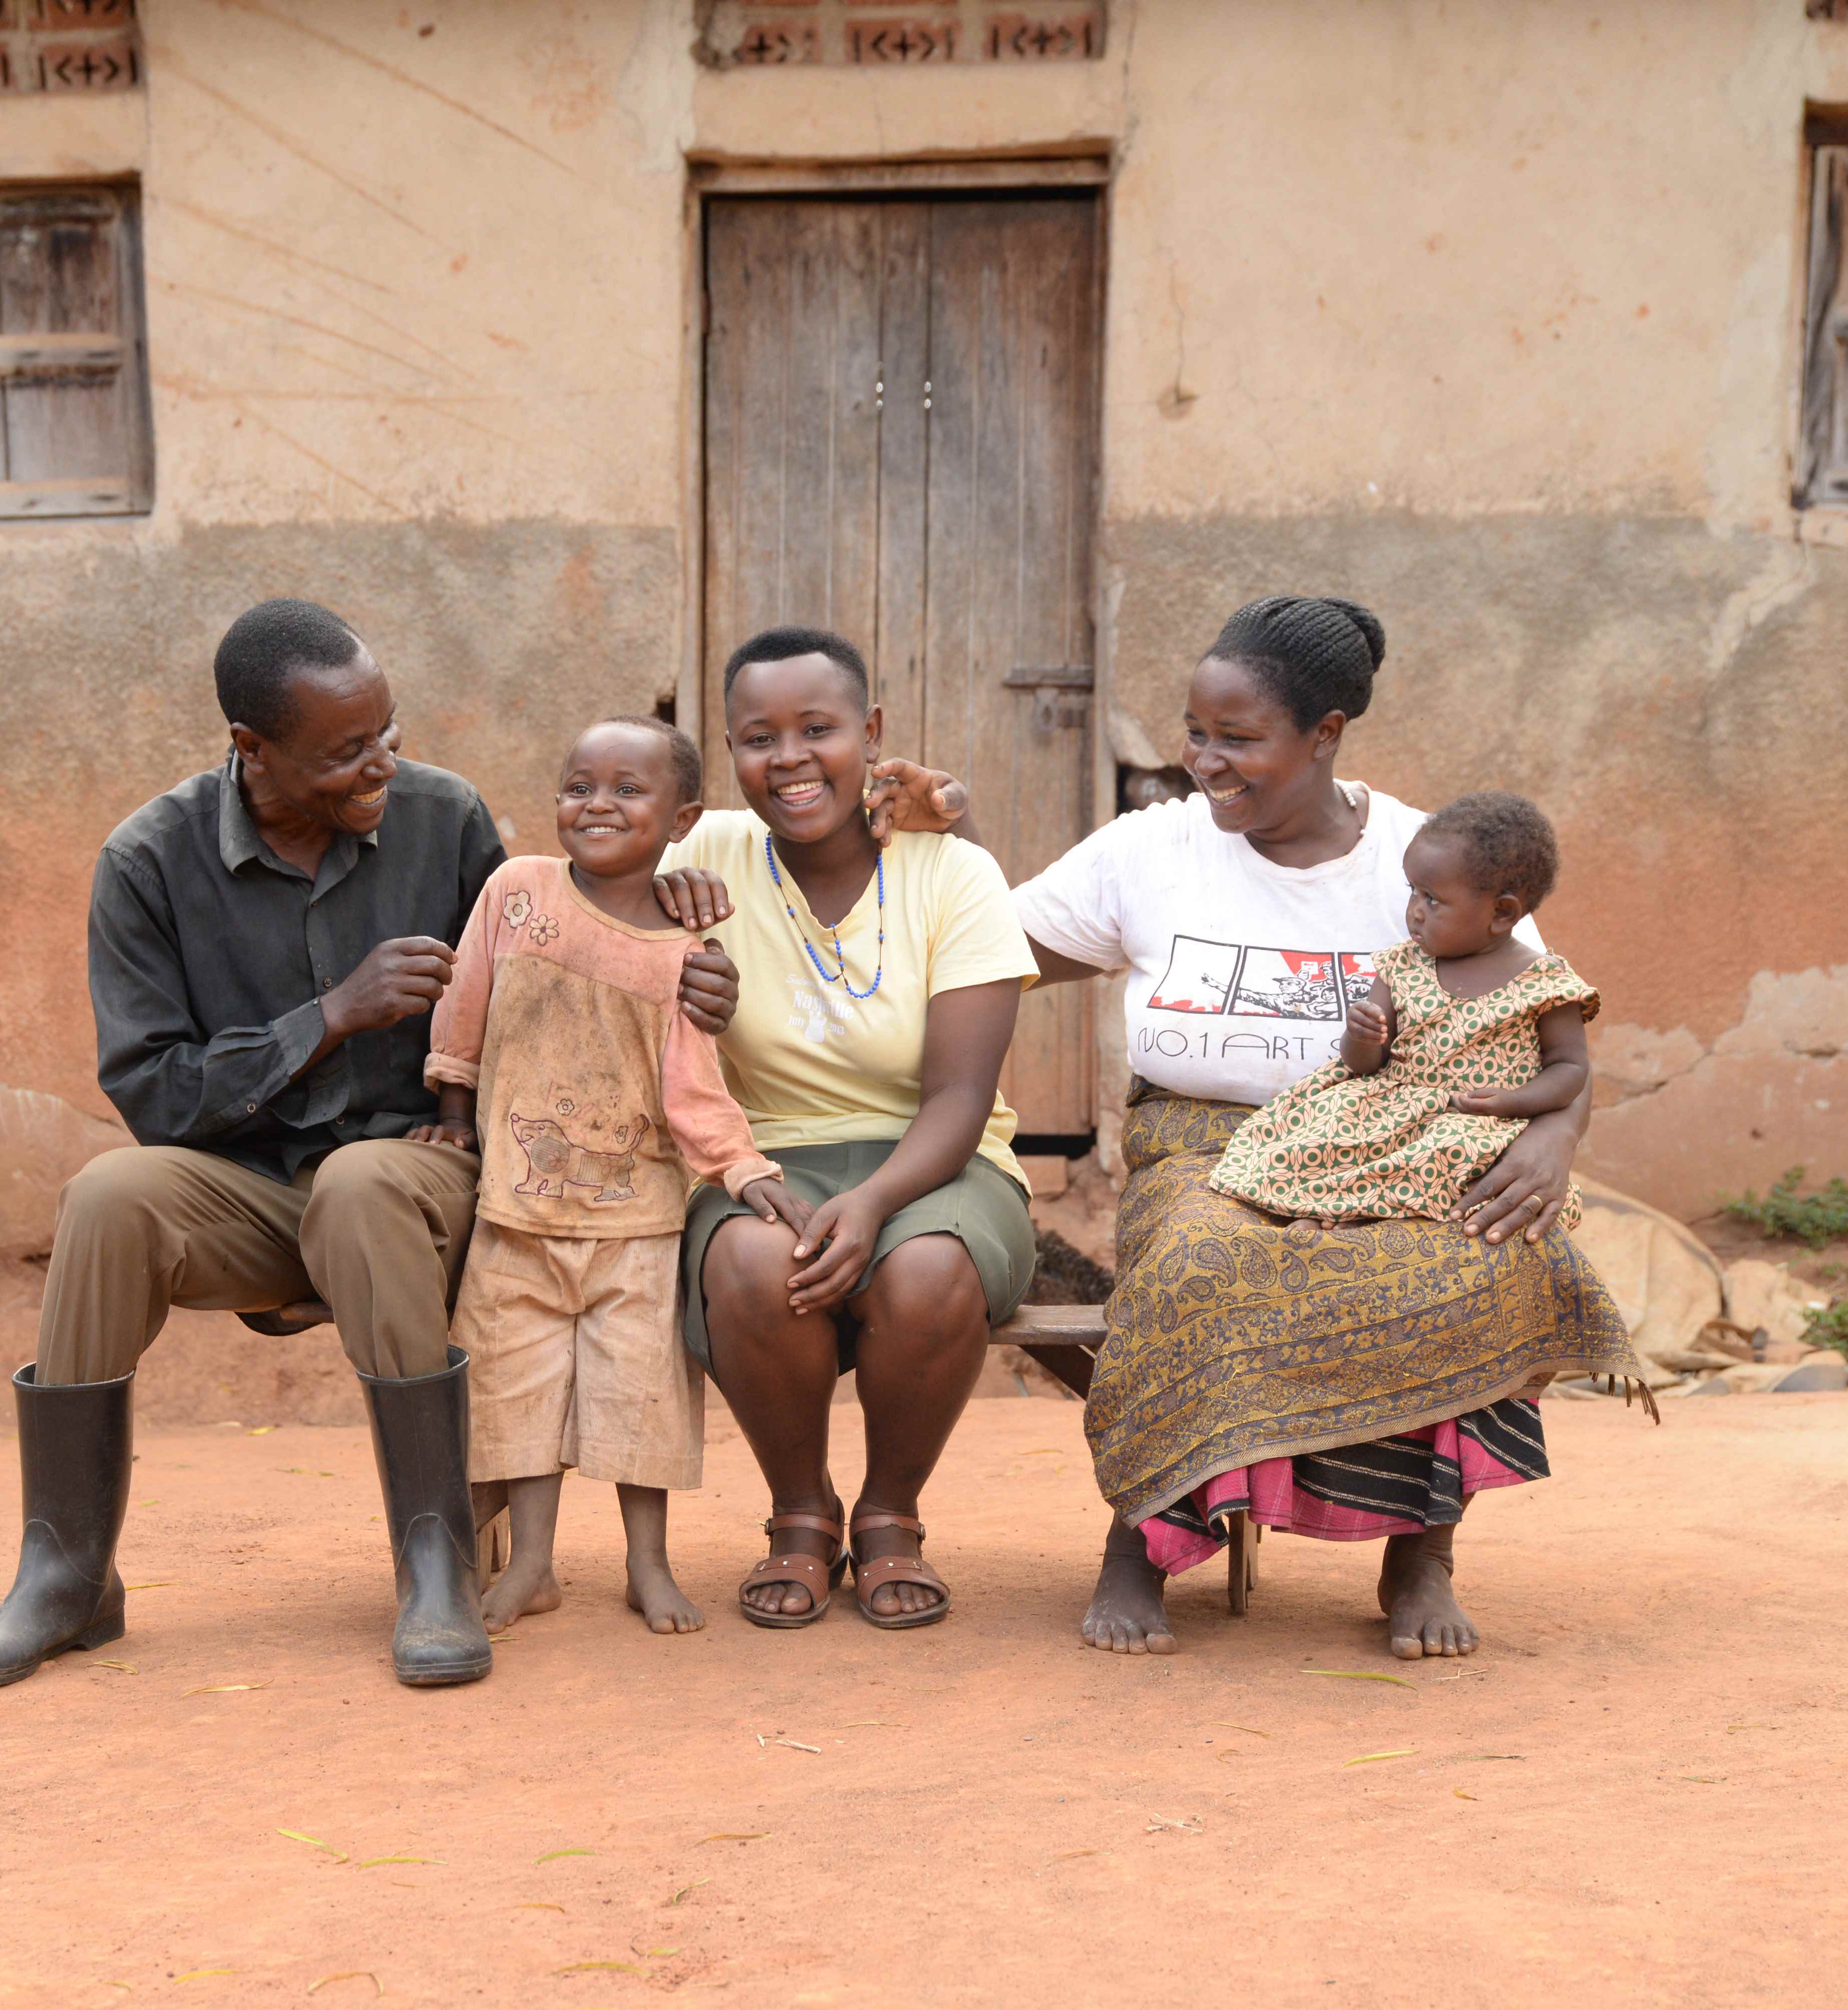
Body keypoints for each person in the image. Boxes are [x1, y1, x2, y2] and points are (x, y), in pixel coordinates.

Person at [0, 600, 742, 1691]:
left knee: (360, 1185)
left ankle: (436, 1561)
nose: (384, 764)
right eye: (347, 750)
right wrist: (326, 1016)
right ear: (251, 750)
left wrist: (666, 897)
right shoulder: (147, 861)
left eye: (388, 730)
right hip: (248, 1189)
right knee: (107, 1196)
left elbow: (550, 947)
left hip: (419, 1172)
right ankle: (66, 1571)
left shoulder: (443, 818)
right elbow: (152, 1092)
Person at [1003, 597, 1640, 1661]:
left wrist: (1550, 1140)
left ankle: (1421, 1552)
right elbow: (978, 950)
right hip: (1203, 1146)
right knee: (1197, 1260)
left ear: (1326, 732)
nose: (1205, 760)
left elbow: (1545, 1027)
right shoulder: (1148, 851)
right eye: (1196, 733)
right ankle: (1138, 1536)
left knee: (1485, 1256)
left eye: (1238, 739)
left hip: (1403, 1142)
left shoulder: (1434, 858)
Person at [664, 626, 1041, 1630]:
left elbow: (960, 1100)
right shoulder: (700, 856)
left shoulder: (952, 874)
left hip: (937, 1163)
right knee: (752, 1261)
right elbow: (586, 885)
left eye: (817, 729)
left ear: (869, 734)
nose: (787, 759)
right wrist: (651, 919)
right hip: (761, 1158)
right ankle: (799, 1514)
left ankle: (888, 1516)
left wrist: (873, 1202)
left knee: (922, 1270)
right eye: (756, 737)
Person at [418, 717, 797, 1638]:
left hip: (638, 1223)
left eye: (629, 790)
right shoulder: (517, 893)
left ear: (683, 819)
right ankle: (536, 1568)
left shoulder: (683, 954)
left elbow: (692, 1090)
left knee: (640, 1399)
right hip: (516, 1211)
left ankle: (648, 1566)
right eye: (578, 785)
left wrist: (743, 1170)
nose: (596, 804)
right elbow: (464, 1001)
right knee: (517, 1396)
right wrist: (454, 1112)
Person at [1210, 790, 1600, 1231]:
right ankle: (1334, 1206)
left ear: (1502, 913)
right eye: (1412, 891)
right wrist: (1360, 1037)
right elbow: (1364, 1065)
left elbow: (1570, 1069)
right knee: (1325, 1130)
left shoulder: (1545, 984)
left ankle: (1367, 1218)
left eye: (1433, 900)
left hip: (1478, 1121)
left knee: (1455, 1149)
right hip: (1390, 1109)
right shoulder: (1401, 965)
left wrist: (1512, 1102)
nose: (1414, 912)